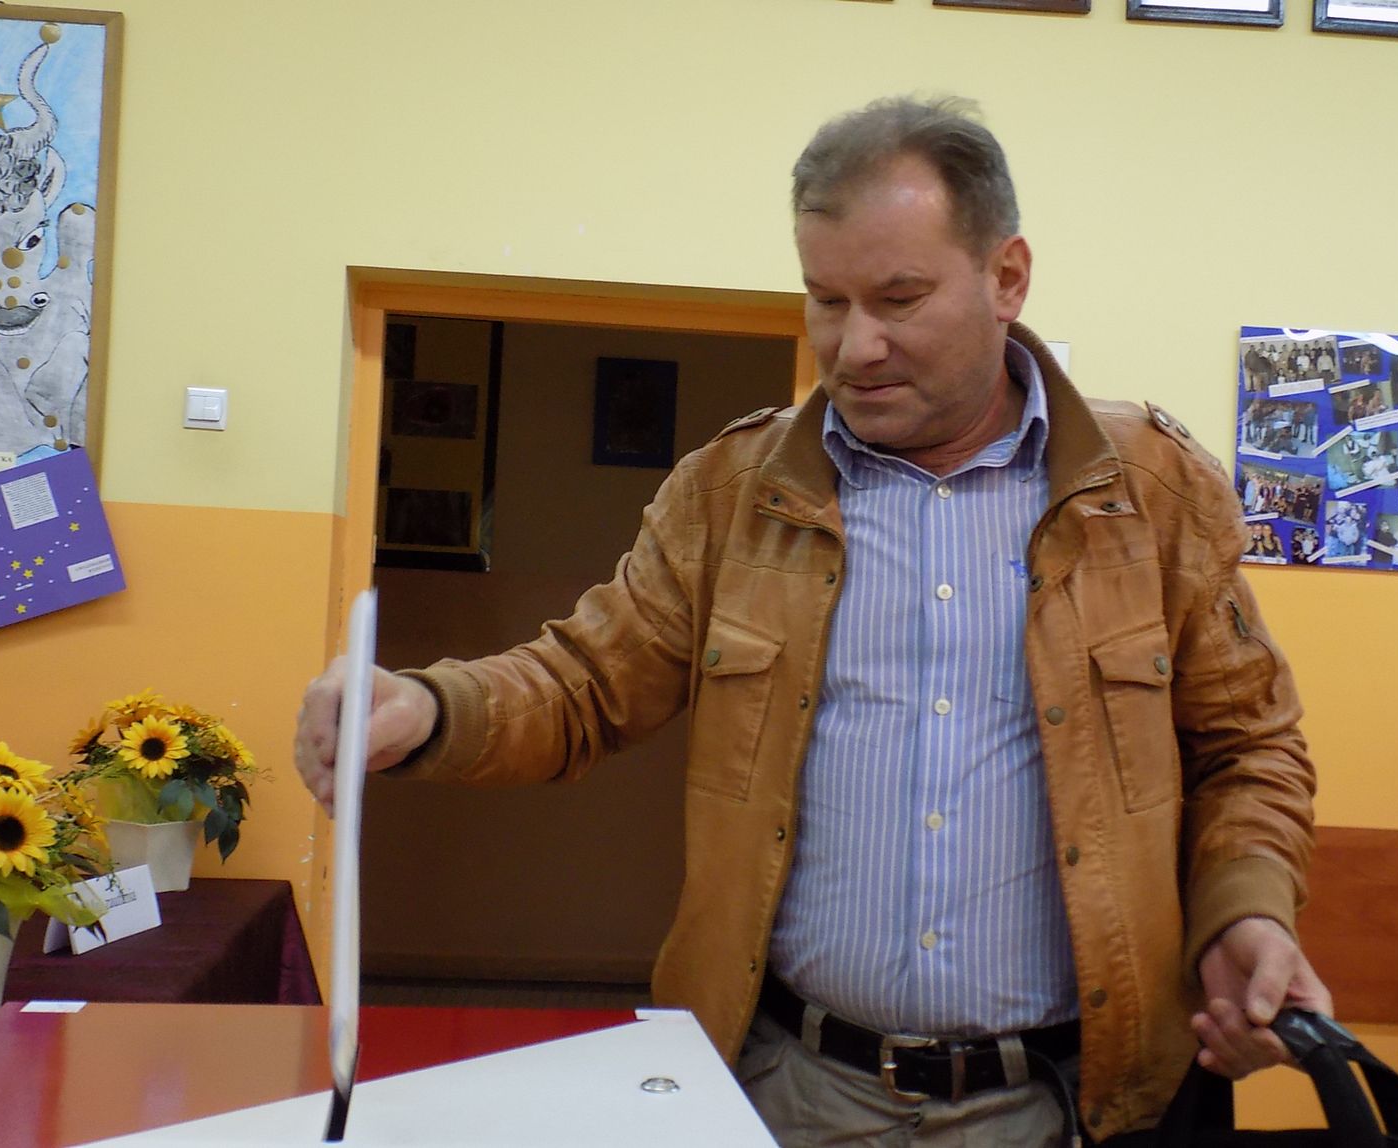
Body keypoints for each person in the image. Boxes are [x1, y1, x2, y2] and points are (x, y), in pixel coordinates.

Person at [295, 95, 1326, 1146]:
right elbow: (584, 684)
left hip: (1076, 1102)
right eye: (825, 299)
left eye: (899, 298)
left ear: (1007, 277)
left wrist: (1246, 907)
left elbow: (1249, 745)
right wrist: (427, 706)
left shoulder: (1148, 493)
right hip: (794, 1092)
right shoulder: (734, 492)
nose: (856, 344)